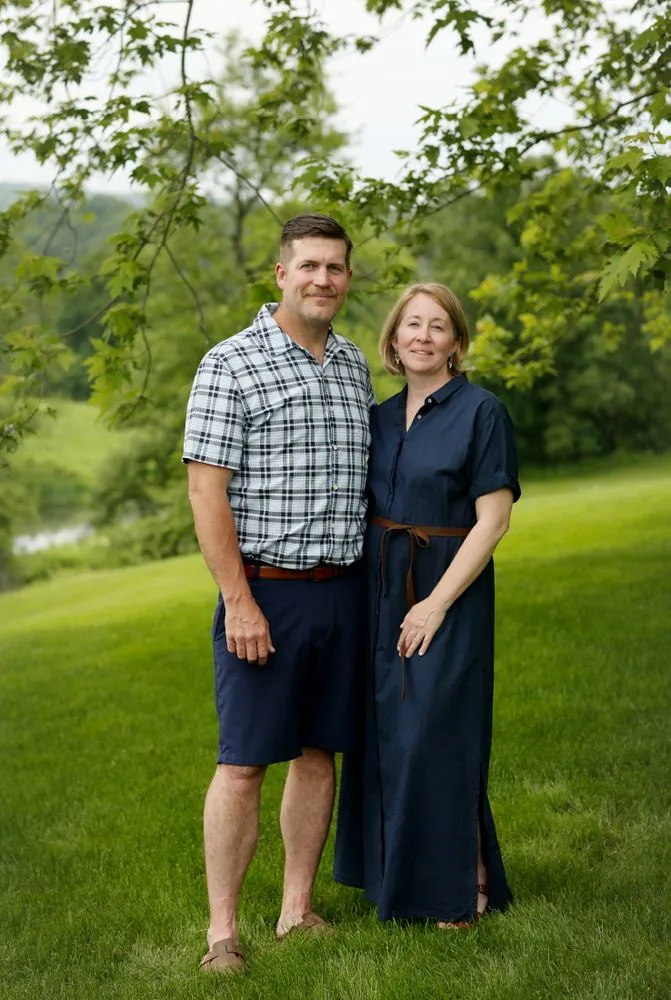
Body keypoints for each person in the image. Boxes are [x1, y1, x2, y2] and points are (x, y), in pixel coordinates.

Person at [183, 213, 373, 974]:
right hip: (264, 595)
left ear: (347, 278)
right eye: (309, 266)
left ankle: (297, 909)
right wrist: (238, 601)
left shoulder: (356, 363)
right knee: (242, 763)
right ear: (280, 275)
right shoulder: (229, 364)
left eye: (335, 267)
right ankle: (221, 934)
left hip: (343, 593)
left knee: (318, 754)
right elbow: (206, 493)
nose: (322, 279)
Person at [334, 282, 520, 927]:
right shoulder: (378, 416)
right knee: (386, 737)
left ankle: (462, 886)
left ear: (456, 343)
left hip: (447, 590)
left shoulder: (482, 412)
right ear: (392, 339)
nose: (422, 335)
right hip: (377, 590)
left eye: (437, 326)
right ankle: (396, 879)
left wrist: (436, 605)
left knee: (438, 735)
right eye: (411, 324)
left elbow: (493, 522)